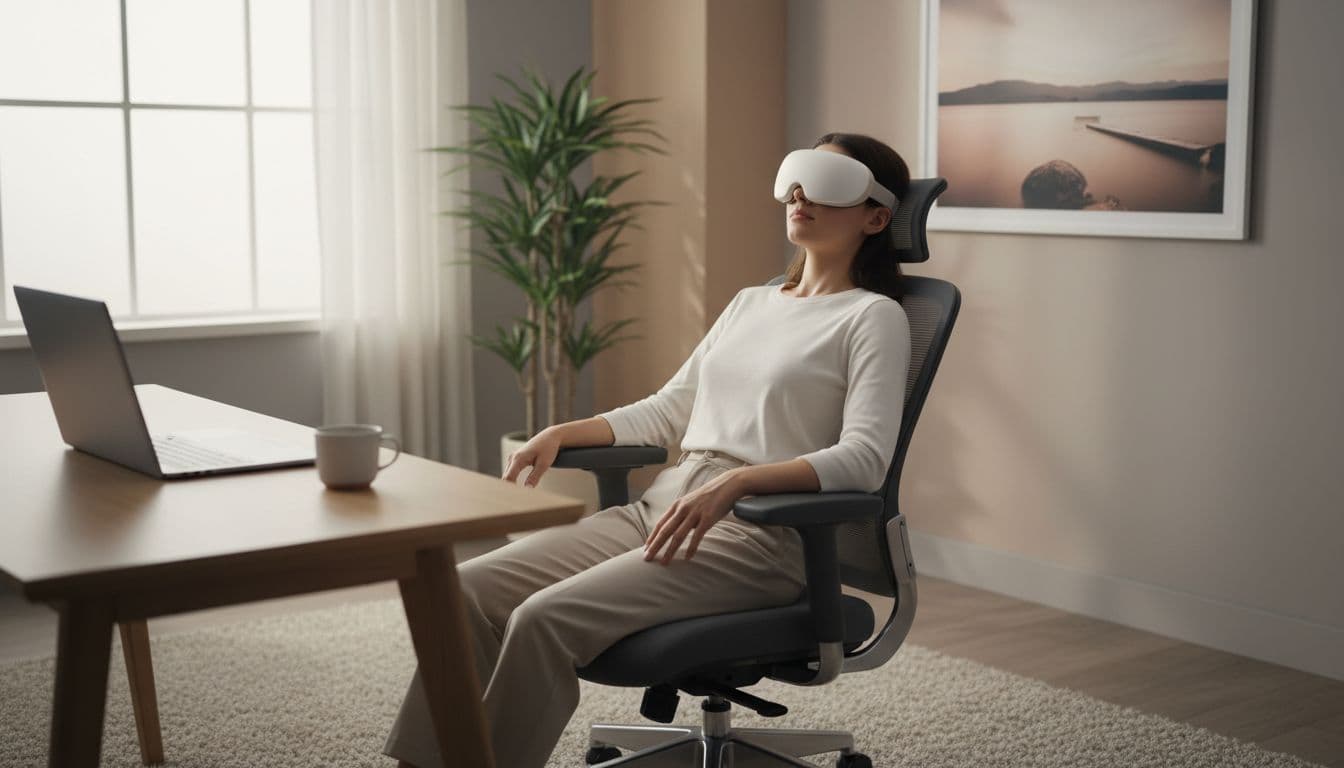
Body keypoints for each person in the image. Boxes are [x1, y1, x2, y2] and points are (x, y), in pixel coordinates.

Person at [383, 132, 914, 768]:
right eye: (796, 180)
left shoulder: (872, 317)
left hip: (758, 536)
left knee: (542, 620)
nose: (800, 195)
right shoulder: (752, 302)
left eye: (828, 184)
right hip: (662, 506)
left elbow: (864, 459)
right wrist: (565, 431)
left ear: (875, 217)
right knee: (463, 589)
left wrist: (739, 483)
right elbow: (669, 409)